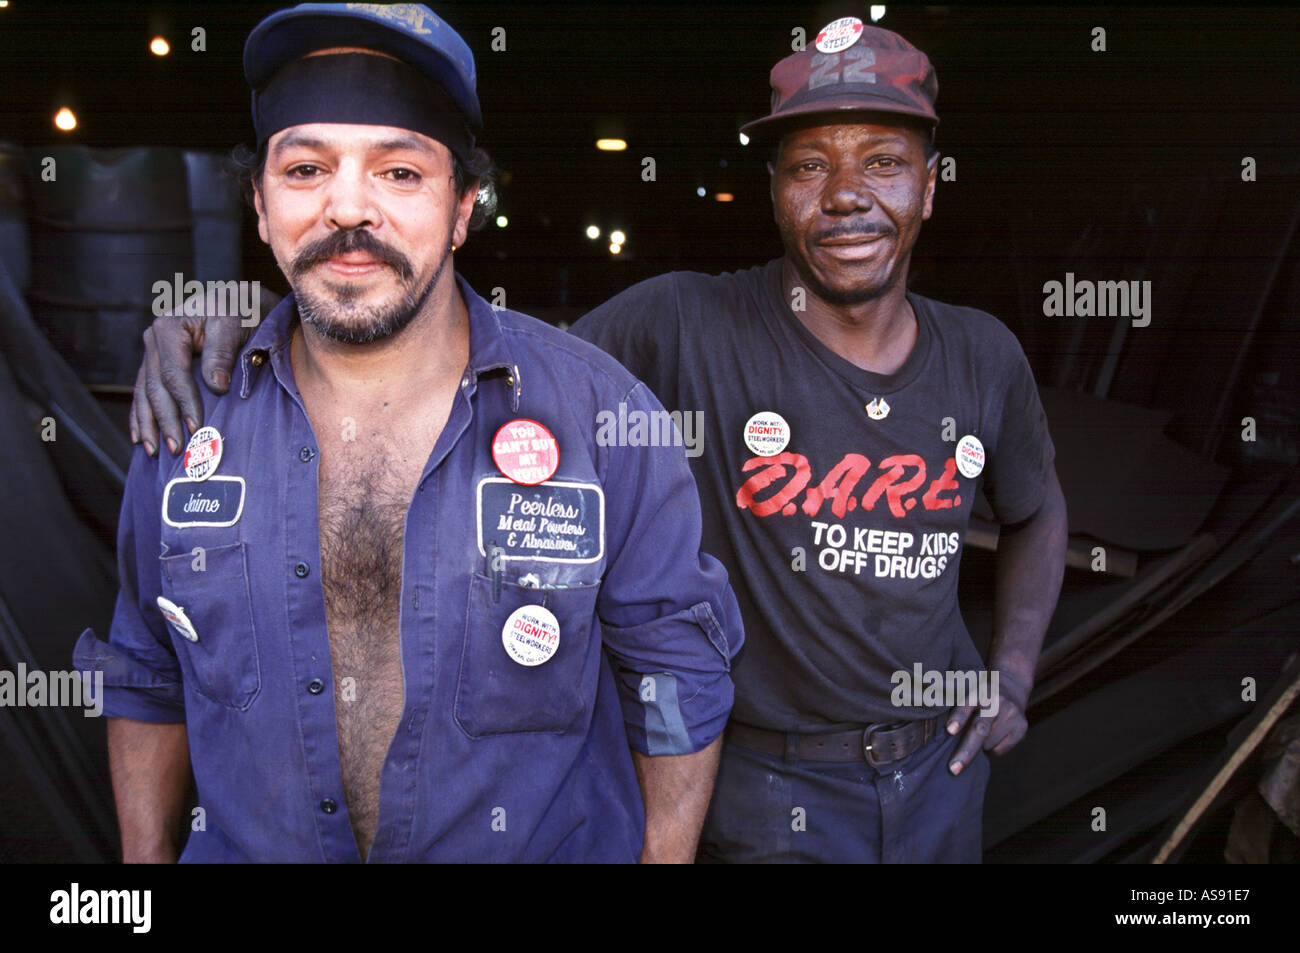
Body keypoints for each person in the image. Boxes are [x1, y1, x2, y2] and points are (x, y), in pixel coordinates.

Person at [131, 17, 1067, 863]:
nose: (847, 195)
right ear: (775, 189)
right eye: (810, 164)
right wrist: (254, 320)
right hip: (763, 784)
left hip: (940, 771)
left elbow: (1037, 510)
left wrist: (1014, 672)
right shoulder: (682, 322)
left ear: (931, 187)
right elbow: (453, 351)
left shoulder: (984, 359)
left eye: (884, 161)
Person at [77, 1, 742, 864]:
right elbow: (148, 669)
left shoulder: (604, 421)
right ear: (259, 202)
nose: (347, 209)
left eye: (399, 172)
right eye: (307, 168)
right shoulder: (187, 420)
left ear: (464, 206)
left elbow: (676, 676)